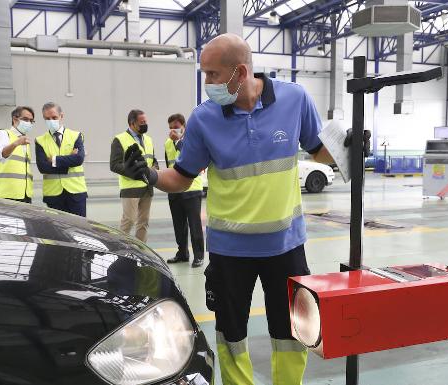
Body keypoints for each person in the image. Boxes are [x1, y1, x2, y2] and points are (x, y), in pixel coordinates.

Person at [119, 33, 357, 385]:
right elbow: (182, 177)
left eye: (213, 74)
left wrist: (349, 146)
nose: (207, 83)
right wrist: (151, 175)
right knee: (231, 333)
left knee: (291, 331)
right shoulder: (203, 119)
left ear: (240, 72)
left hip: (286, 246)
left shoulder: (295, 99)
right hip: (230, 251)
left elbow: (317, 149)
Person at [109, 109, 159, 242]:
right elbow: (114, 165)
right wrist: (132, 173)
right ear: (132, 123)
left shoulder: (148, 139)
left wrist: (155, 169)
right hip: (130, 187)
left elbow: (152, 159)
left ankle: (140, 252)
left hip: (147, 187)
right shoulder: (119, 139)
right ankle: (118, 248)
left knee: (143, 222)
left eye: (146, 122)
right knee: (129, 221)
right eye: (142, 122)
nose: (145, 124)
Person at [164, 113, 205, 267]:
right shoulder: (168, 143)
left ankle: (199, 255)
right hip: (174, 189)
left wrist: (179, 141)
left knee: (194, 224)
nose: (172, 131)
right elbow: (169, 165)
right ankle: (182, 253)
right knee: (178, 224)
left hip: (191, 187)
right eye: (170, 128)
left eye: (176, 127)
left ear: (183, 127)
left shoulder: (192, 139)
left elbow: (191, 156)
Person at [35, 102, 88, 217]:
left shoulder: (76, 135)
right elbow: (42, 167)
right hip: (53, 195)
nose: (51, 121)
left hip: (76, 192)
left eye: (54, 117)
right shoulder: (40, 140)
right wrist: (69, 160)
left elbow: (78, 159)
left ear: (61, 116)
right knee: (57, 233)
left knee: (79, 229)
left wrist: (53, 160)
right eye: (47, 118)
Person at [0, 106, 35, 203]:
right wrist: (16, 143)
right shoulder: (3, 134)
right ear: (15, 119)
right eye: (25, 119)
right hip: (6, 195)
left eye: (31, 121)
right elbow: (0, 156)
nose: (29, 123)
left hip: (25, 194)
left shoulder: (25, 141)